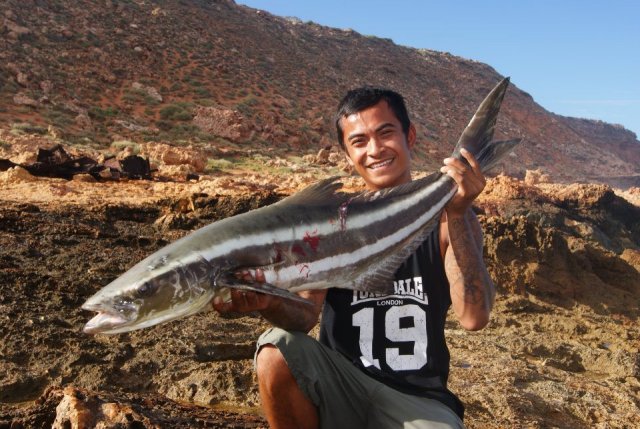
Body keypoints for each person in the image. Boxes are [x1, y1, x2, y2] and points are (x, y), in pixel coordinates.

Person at [213, 87, 495, 429]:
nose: (374, 150)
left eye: (385, 133)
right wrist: (266, 302)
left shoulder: (450, 219)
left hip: (416, 401)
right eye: (359, 141)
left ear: (410, 135)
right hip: (341, 387)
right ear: (348, 154)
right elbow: (303, 319)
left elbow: (473, 317)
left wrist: (460, 210)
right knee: (275, 350)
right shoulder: (332, 224)